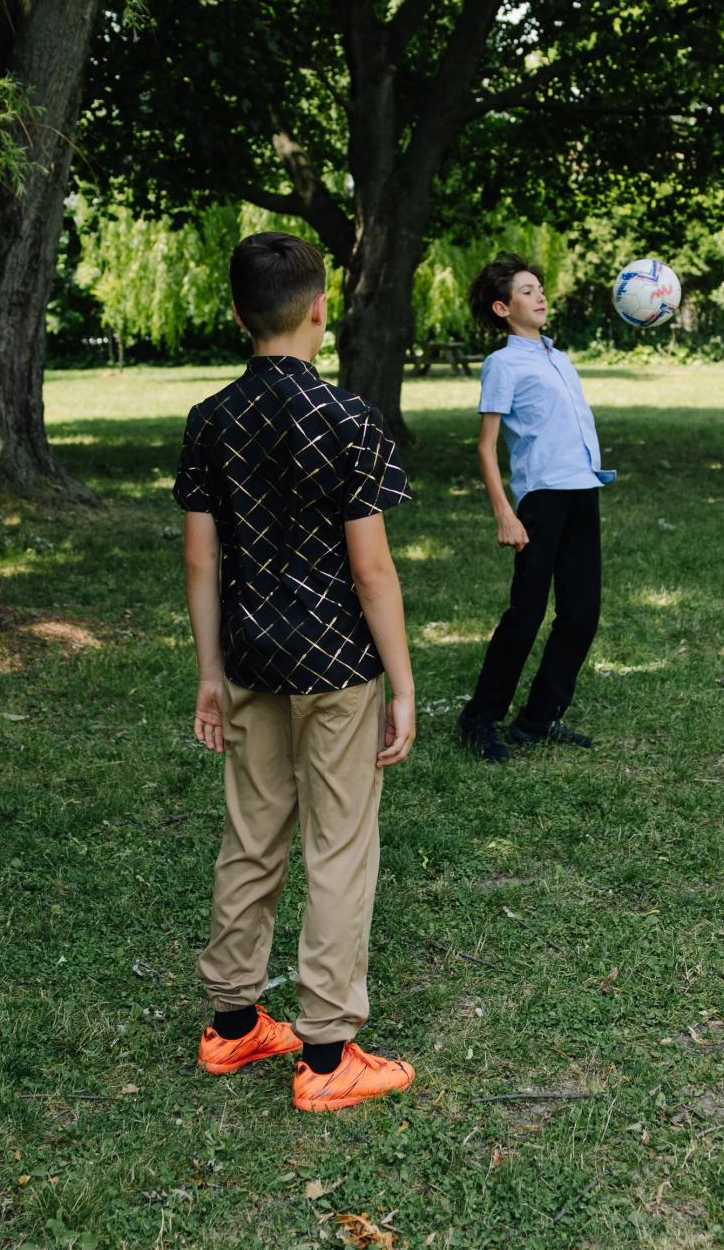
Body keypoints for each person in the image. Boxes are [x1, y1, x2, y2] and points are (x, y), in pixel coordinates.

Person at [175, 232, 418, 1112]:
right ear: (321, 309)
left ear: (240, 315)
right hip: (338, 663)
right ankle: (325, 1056)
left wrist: (209, 672)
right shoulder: (349, 418)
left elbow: (200, 561)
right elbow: (372, 571)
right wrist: (404, 685)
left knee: (252, 834)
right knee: (340, 844)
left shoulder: (211, 418)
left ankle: (233, 1025)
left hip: (248, 655)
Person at [454, 253, 614, 764]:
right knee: (526, 614)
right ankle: (479, 718)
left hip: (582, 491)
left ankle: (539, 718)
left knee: (582, 612)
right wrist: (505, 511)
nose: (539, 295)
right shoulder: (503, 365)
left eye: (539, 288)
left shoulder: (557, 357)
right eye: (526, 291)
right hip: (541, 499)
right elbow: (486, 447)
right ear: (502, 308)